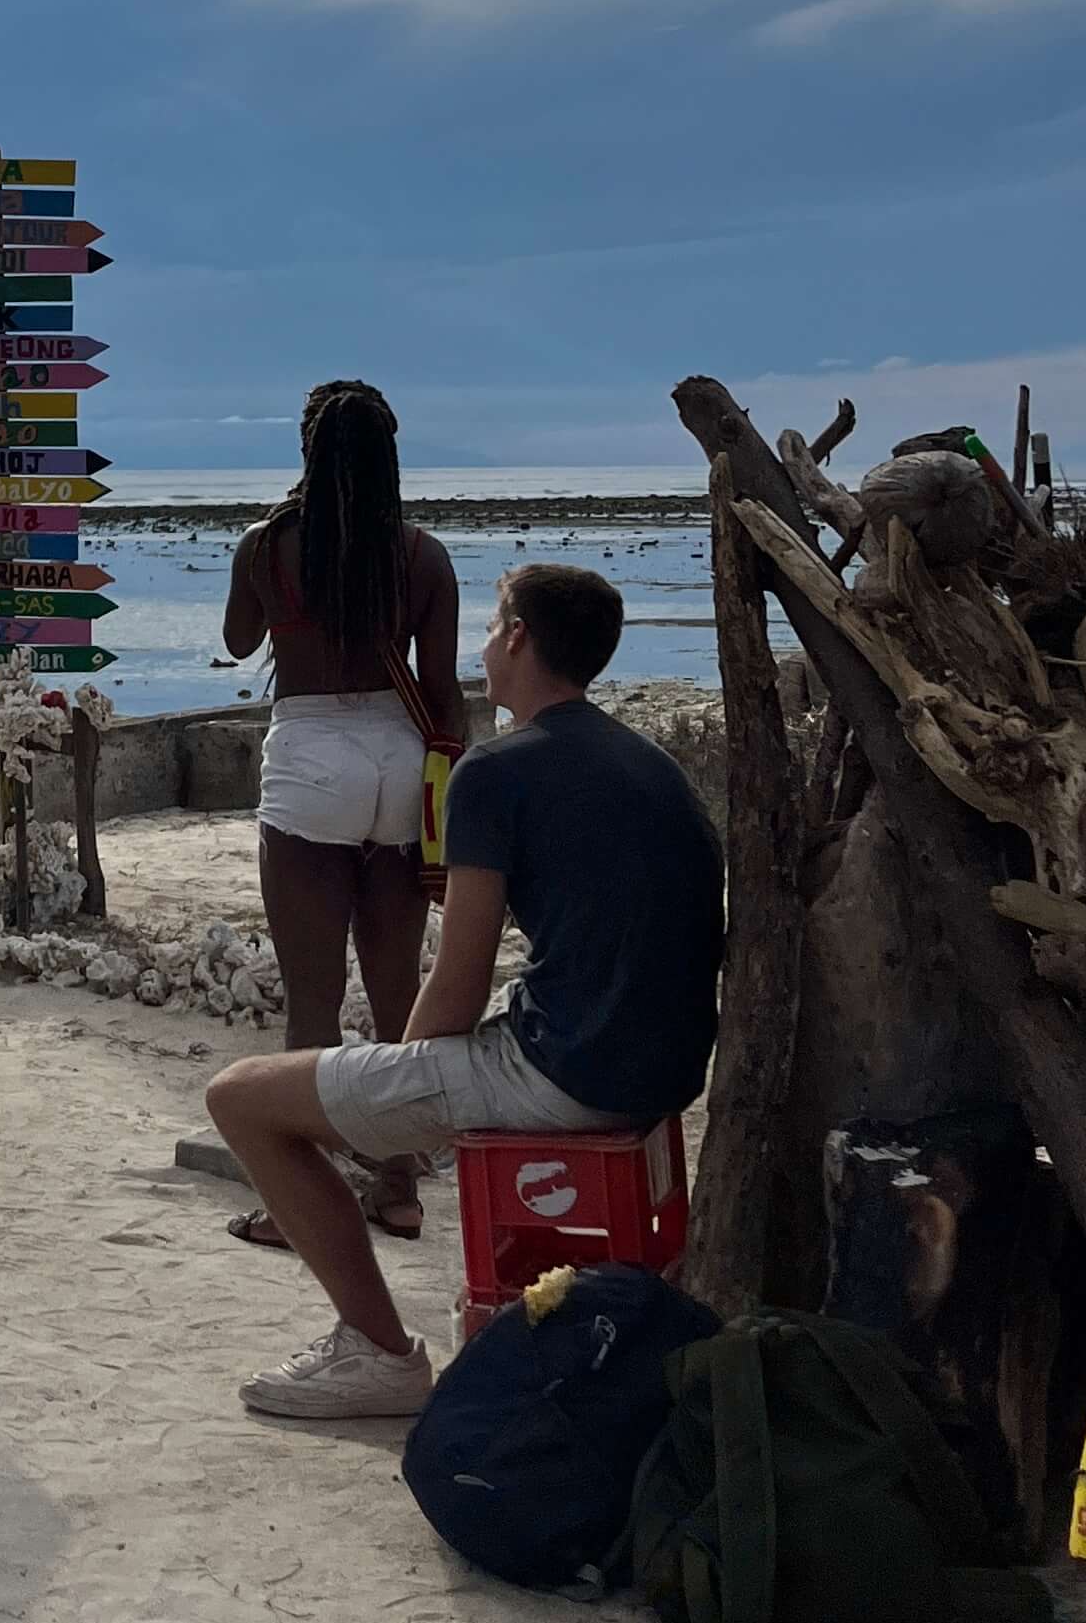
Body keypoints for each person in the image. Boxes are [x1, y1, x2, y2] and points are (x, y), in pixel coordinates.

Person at [205, 559, 726, 1422]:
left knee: (244, 1100)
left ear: (518, 638)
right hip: (665, 1070)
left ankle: (378, 1354)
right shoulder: (647, 761)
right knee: (379, 1081)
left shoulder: (496, 772)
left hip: (567, 1075)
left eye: (491, 628)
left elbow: (457, 982)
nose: (484, 649)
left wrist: (388, 1109)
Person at [220, 380, 463, 1243]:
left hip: (310, 755)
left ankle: (305, 1203)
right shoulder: (423, 557)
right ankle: (398, 1185)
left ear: (306, 452)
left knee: (313, 1003)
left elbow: (240, 641)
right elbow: (444, 695)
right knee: (396, 993)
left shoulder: (267, 547)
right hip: (398, 759)